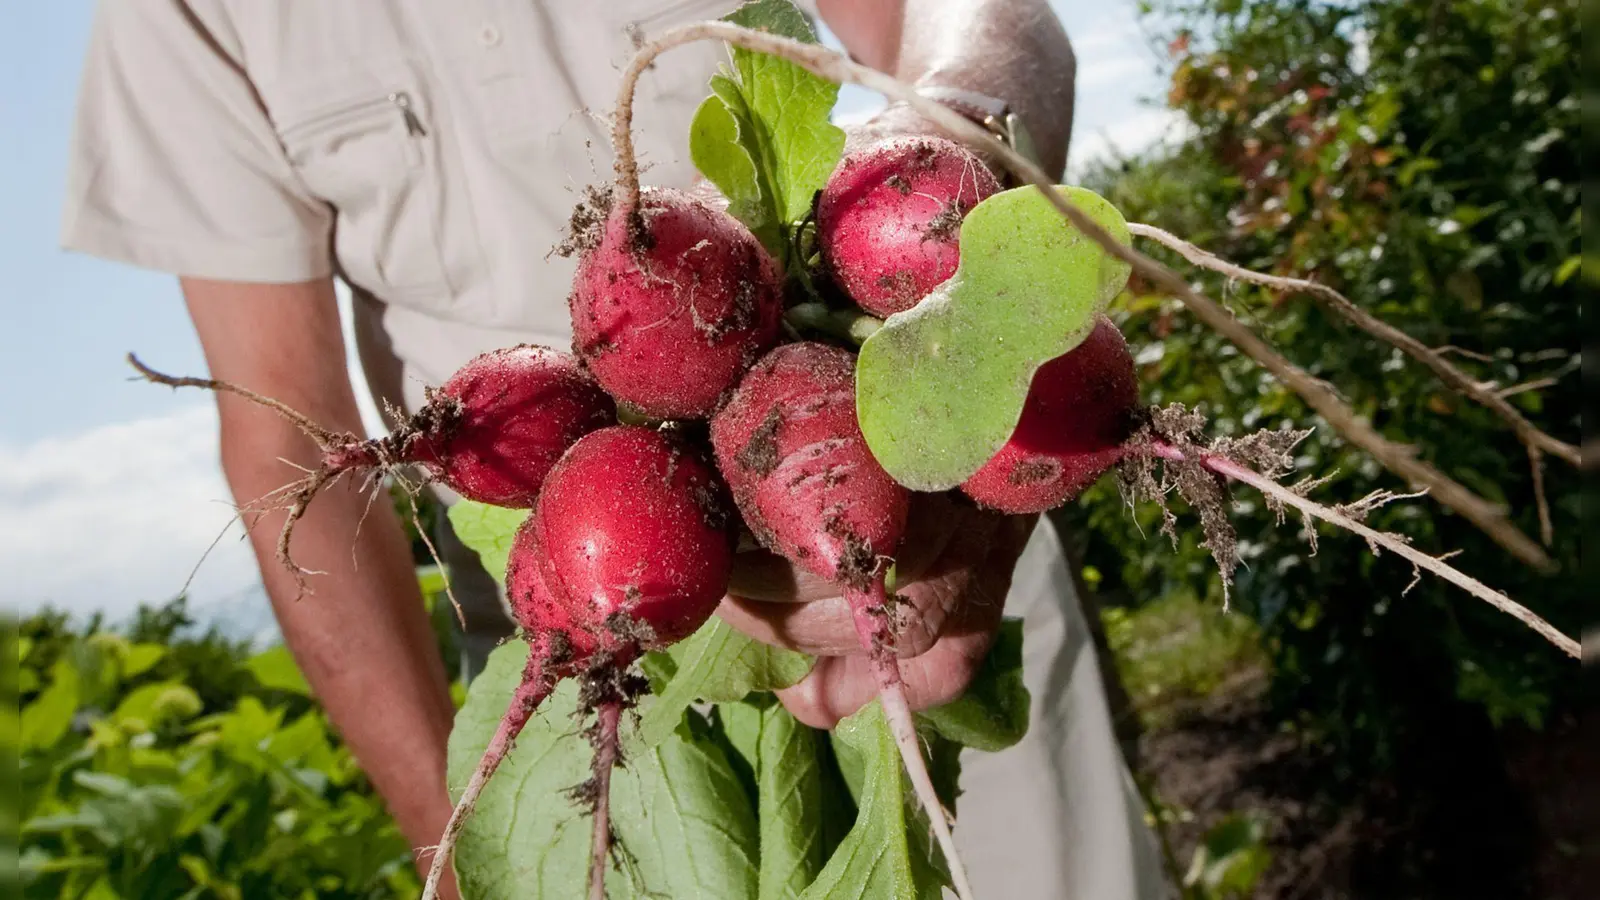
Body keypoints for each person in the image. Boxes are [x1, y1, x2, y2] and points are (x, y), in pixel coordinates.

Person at [63, 1, 1166, 897]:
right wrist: (448, 848)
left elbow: (984, 13)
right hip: (581, 622)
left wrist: (954, 163)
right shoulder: (181, 16)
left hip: (937, 515)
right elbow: (279, 443)